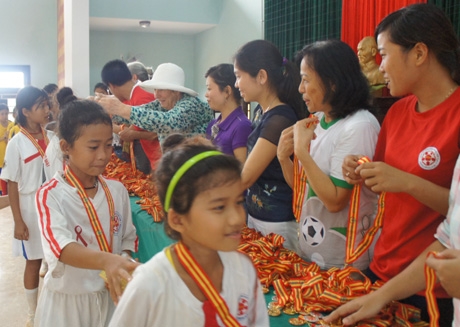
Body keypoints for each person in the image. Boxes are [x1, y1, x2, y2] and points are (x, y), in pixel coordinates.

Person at [326, 4, 460, 325]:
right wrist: (360, 170)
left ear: (419, 53)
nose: (379, 66)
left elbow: (455, 216)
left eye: (383, 54)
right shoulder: (398, 112)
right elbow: (383, 176)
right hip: (384, 266)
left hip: (434, 281)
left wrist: (406, 181)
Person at [109, 138, 268, 326]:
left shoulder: (244, 270)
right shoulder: (150, 285)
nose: (237, 219)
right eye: (219, 207)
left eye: (239, 202)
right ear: (178, 220)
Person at [34, 99, 139, 327]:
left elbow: (128, 238)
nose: (103, 155)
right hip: (69, 305)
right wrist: (108, 261)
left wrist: (123, 260)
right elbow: (61, 248)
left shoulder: (117, 191)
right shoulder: (50, 194)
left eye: (109, 145)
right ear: (65, 147)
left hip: (109, 298)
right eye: (93, 147)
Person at [277, 40, 380, 270]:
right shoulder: (319, 121)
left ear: (332, 83)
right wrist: (284, 158)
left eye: (305, 80)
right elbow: (304, 192)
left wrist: (302, 153)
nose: (300, 89)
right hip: (313, 250)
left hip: (344, 260)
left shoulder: (359, 126)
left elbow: (334, 201)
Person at [233, 39, 306, 252]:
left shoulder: (280, 118)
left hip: (277, 223)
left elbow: (246, 177)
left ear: (261, 76)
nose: (237, 84)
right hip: (257, 215)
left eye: (239, 76)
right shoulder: (261, 111)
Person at [0, 86, 52, 326]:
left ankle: (51, 309)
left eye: (47, 104)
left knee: (56, 258)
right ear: (25, 112)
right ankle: (32, 315)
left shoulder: (51, 136)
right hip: (30, 207)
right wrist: (18, 221)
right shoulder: (17, 143)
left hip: (53, 204)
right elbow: (11, 184)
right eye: (41, 106)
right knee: (34, 260)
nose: (47, 109)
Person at [96, 62, 214, 145]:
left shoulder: (191, 104)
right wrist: (102, 108)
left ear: (175, 91)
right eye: (155, 90)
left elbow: (169, 122)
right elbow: (138, 113)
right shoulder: (161, 104)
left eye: (161, 90)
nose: (156, 95)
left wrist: (120, 108)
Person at [101, 59, 160, 174]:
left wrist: (132, 134)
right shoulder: (135, 96)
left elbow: (157, 132)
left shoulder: (141, 97)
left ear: (112, 86)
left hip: (160, 158)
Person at [205, 63, 252, 163]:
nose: (206, 94)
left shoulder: (242, 126)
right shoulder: (213, 125)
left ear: (227, 91)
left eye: (209, 89)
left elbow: (242, 170)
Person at [0, 103, 14, 195]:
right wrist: (2, 138)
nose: (5, 116)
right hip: (0, 159)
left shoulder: (12, 125)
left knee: (10, 184)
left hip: (9, 159)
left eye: (6, 113)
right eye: (2, 114)